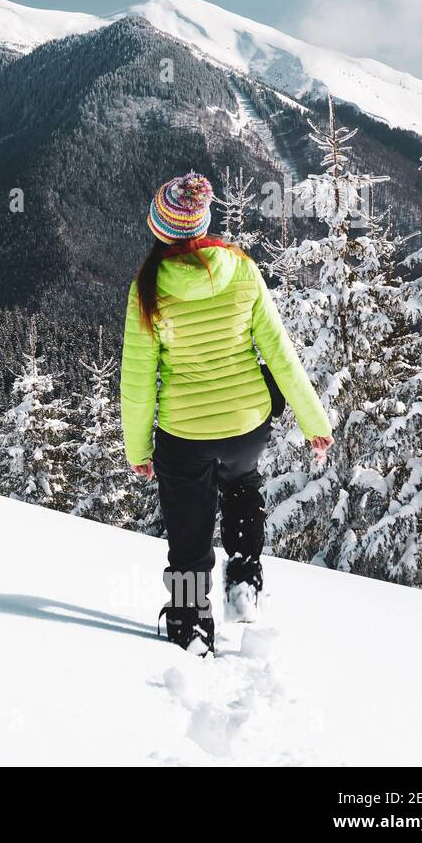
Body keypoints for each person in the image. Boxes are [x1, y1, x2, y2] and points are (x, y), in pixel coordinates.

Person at [120, 171, 333, 656]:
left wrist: (138, 449)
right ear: (204, 222)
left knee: (189, 536)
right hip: (246, 429)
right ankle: (244, 581)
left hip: (184, 436)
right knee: (242, 484)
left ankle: (192, 627)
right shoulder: (242, 269)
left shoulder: (147, 290)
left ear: (159, 229)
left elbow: (136, 384)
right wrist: (313, 424)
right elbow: (280, 355)